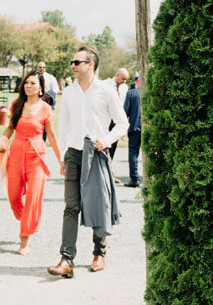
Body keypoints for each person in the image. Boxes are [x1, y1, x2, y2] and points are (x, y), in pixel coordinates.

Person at [47, 45, 126, 278]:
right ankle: (66, 259)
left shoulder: (106, 91)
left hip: (96, 153)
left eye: (77, 62)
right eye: (72, 62)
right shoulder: (70, 92)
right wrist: (62, 156)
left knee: (98, 204)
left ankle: (99, 253)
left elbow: (122, 123)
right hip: (73, 153)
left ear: (90, 65)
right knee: (71, 206)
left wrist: (107, 140)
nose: (73, 65)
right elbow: (64, 126)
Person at [0, 72, 63, 254]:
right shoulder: (16, 105)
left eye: (33, 83)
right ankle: (28, 218)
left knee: (33, 197)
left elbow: (52, 137)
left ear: (40, 88)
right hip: (16, 153)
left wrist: (61, 160)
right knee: (13, 195)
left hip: (37, 156)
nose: (28, 86)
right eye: (26, 83)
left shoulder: (46, 109)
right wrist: (3, 139)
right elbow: (10, 127)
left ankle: (24, 239)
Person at [103, 68, 129, 160]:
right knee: (104, 140)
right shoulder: (105, 84)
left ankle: (110, 162)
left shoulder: (125, 88)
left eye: (126, 79)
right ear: (117, 75)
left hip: (116, 118)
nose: (124, 81)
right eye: (123, 78)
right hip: (106, 117)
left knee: (113, 142)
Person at [122, 74, 142, 187]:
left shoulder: (131, 93)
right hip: (147, 127)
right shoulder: (151, 93)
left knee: (133, 153)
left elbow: (126, 112)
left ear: (137, 82)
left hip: (134, 127)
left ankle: (134, 178)